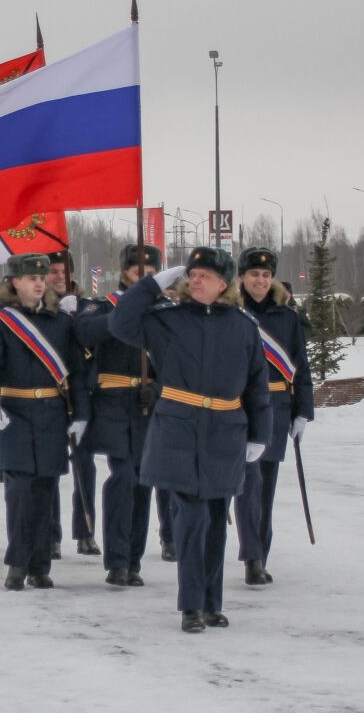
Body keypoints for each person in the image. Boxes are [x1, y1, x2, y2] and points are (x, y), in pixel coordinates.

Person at [109, 247, 271, 632]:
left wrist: (258, 434)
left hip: (225, 430)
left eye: (204, 276)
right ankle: (191, 605)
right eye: (192, 274)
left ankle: (212, 604)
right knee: (192, 516)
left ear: (223, 284)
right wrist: (150, 285)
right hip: (178, 429)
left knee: (216, 519)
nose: (195, 280)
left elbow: (257, 386)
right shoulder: (168, 319)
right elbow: (121, 323)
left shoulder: (242, 325)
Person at [0, 253, 90, 591]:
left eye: (41, 278)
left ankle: (40, 565)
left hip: (52, 415)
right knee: (20, 491)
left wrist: (81, 414)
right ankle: (17, 563)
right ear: (15, 282)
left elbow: (77, 374)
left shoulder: (61, 323)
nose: (39, 283)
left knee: (45, 491)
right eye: (31, 278)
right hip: (16, 414)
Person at [75, 243, 162, 587]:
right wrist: (127, 312)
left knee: (143, 482)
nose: (143, 276)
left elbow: (177, 359)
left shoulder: (166, 311)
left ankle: (134, 559)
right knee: (123, 476)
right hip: (112, 403)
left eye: (150, 272)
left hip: (150, 404)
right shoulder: (102, 306)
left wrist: (157, 389)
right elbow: (84, 333)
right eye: (137, 270)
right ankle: (117, 560)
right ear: (125, 271)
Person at [234, 248, 315, 586]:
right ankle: (252, 557)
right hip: (239, 407)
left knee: (266, 487)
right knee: (248, 484)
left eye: (266, 275)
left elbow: (301, 367)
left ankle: (260, 556)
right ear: (241, 278)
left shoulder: (287, 317)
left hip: (278, 406)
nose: (261, 280)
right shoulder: (231, 313)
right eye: (254, 274)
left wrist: (303, 411)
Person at [45, 249, 99, 557]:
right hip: (49, 398)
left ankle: (85, 531)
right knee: (50, 469)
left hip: (82, 394)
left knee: (85, 467)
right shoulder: (37, 311)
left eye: (64, 271)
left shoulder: (89, 306)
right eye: (53, 271)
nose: (59, 277)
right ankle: (51, 534)